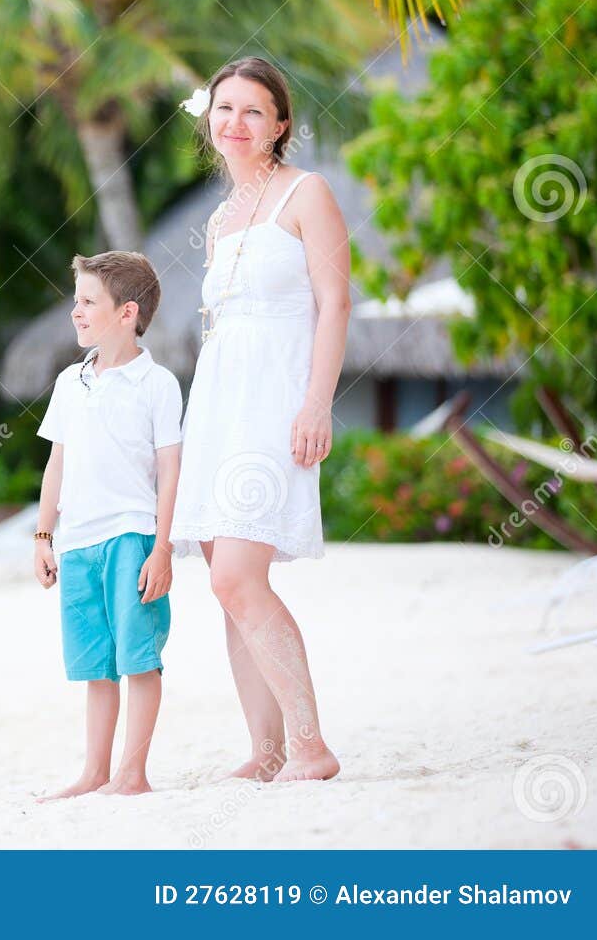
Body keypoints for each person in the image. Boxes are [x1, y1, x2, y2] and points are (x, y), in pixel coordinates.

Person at [168, 56, 350, 783]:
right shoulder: (218, 220)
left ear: (279, 124)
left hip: (276, 408)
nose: (235, 123)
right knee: (226, 585)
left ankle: (310, 747)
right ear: (208, 120)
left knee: (241, 577)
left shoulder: (307, 193)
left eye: (253, 110)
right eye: (224, 108)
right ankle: (267, 751)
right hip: (219, 406)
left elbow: (335, 303)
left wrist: (316, 402)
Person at [33, 251, 184, 799]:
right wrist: (43, 536)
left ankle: (132, 774)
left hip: (132, 537)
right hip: (78, 543)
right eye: (75, 300)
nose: (75, 311)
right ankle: (95, 771)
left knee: (139, 659)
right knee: (96, 667)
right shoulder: (69, 382)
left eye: (88, 301)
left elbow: (170, 472)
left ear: (127, 312)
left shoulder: (157, 383)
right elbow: (57, 464)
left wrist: (162, 549)